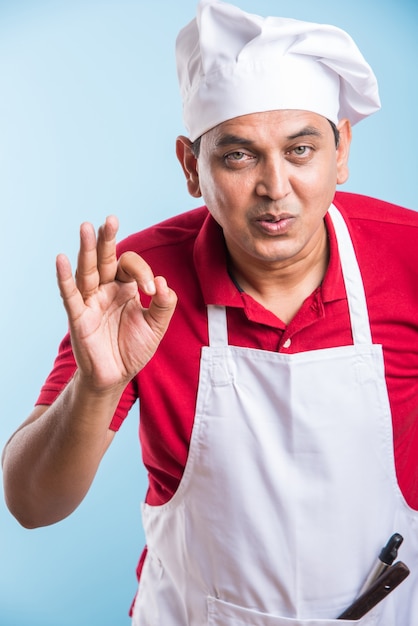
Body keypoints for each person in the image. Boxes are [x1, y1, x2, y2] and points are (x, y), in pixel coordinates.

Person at [3, 0, 418, 623]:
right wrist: (97, 386)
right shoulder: (137, 281)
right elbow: (33, 505)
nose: (275, 186)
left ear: (342, 150)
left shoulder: (408, 256)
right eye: (238, 156)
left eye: (301, 150)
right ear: (191, 167)